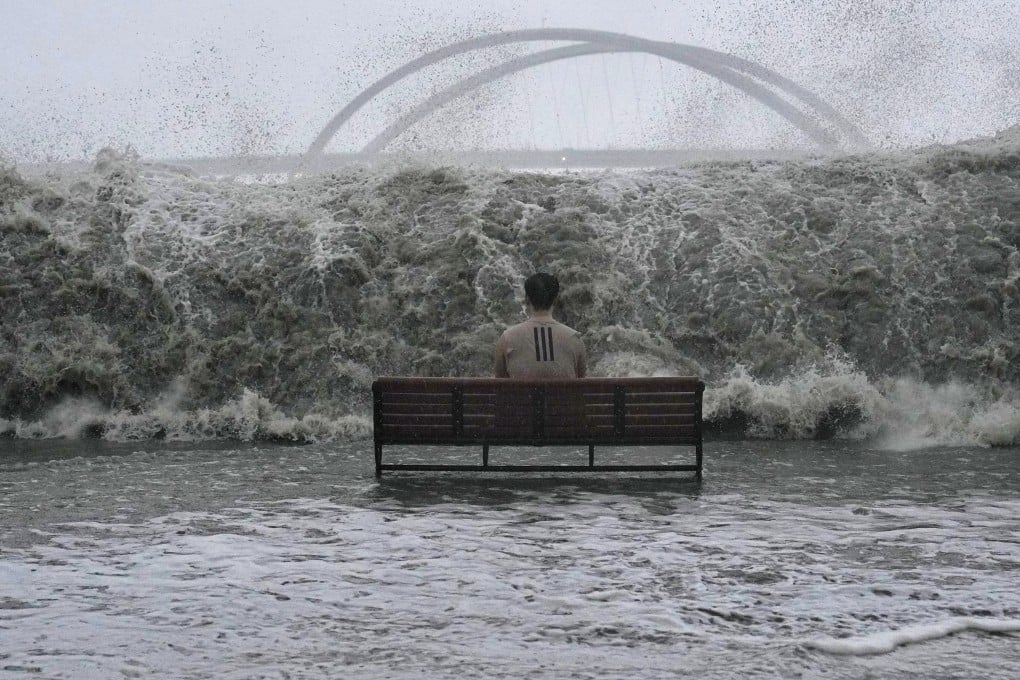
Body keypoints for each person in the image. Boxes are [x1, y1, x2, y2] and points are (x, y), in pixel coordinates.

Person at [494, 272, 587, 379]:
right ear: (555, 299)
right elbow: (581, 381)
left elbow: (500, 384)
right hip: (561, 396)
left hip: (522, 396)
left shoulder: (507, 339)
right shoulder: (574, 339)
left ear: (527, 299)